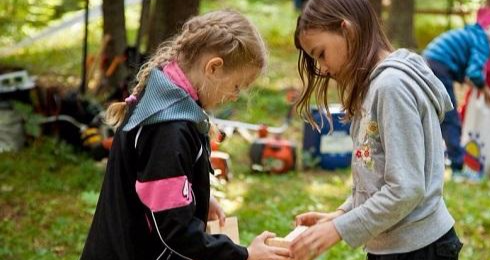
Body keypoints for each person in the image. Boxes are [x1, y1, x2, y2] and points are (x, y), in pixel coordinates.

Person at [81, 10, 290, 260]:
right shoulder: (168, 128)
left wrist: (195, 198)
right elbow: (175, 233)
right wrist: (244, 255)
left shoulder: (164, 94)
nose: (234, 96)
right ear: (213, 67)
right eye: (236, 86)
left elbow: (158, 183)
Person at [290, 0, 462, 259]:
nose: (322, 68)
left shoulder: (391, 87)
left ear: (347, 30)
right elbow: (379, 177)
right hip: (394, 247)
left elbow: (407, 189)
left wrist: (339, 229)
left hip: (419, 250)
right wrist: (343, 214)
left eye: (321, 53)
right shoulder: (375, 87)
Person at [422, 21, 490, 177]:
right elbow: (474, 73)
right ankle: (458, 166)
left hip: (429, 62)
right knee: (450, 118)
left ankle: (429, 159)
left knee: (430, 115)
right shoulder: (484, 45)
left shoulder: (475, 36)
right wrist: (487, 92)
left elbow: (465, 72)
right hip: (439, 66)